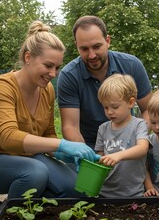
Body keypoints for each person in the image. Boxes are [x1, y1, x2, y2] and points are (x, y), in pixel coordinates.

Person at [0, 21, 99, 220]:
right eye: (48, 66)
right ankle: (9, 216)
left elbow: (47, 133)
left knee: (77, 189)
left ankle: (0, 209)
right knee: (35, 173)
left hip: (30, 158)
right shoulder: (3, 87)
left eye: (57, 67)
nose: (53, 74)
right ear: (28, 57)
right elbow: (8, 138)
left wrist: (63, 154)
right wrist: (63, 144)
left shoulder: (46, 89)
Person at [57, 15, 152, 149]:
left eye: (97, 46)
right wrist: (88, 157)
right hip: (88, 145)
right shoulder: (69, 76)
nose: (92, 55)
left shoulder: (131, 65)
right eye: (84, 49)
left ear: (107, 41)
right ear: (76, 46)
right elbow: (70, 126)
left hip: (130, 142)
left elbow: (148, 110)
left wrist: (137, 139)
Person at [95, 74, 151, 197]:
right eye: (105, 107)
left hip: (133, 193)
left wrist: (118, 156)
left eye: (115, 107)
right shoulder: (103, 128)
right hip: (105, 192)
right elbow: (99, 155)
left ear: (130, 103)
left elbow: (143, 149)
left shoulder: (139, 125)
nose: (110, 112)